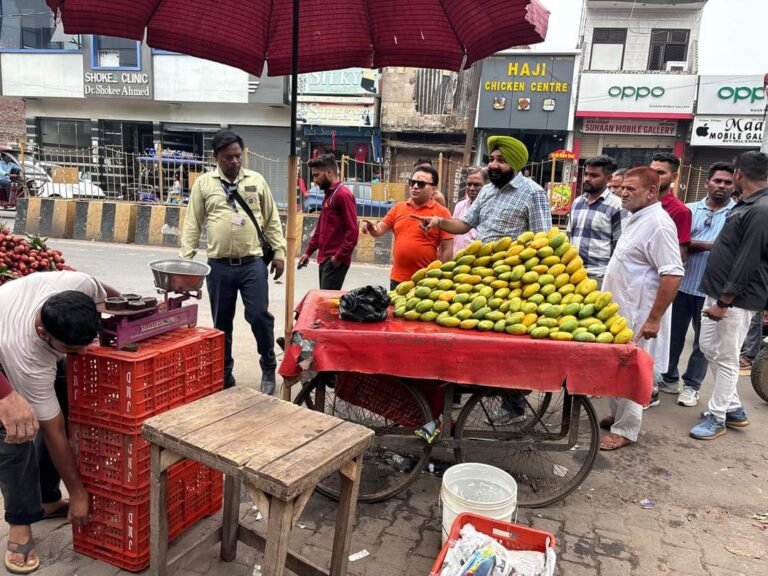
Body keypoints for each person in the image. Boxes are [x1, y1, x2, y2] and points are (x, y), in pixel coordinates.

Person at [417, 135, 552, 425]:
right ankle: (464, 389)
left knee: (505, 344)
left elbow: (544, 241)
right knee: (468, 332)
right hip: (479, 275)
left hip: (513, 281)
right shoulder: (488, 191)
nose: (493, 164)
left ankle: (514, 406)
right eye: (491, 159)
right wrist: (440, 222)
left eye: (500, 160)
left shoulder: (533, 193)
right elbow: (466, 224)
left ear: (515, 163)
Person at [0, 271, 114, 574]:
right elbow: (55, 432)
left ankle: (47, 500)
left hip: (23, 314)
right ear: (43, 333)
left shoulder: (81, 285)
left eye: (85, 343)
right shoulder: (26, 355)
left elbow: (107, 294)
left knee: (64, 399)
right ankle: (19, 523)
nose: (83, 353)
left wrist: (138, 308)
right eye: (71, 349)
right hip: (4, 360)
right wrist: (77, 492)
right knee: (19, 430)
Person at [180, 130, 287, 395]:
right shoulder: (204, 184)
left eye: (238, 156)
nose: (235, 161)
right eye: (228, 157)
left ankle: (268, 366)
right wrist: (186, 262)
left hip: (253, 263)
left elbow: (272, 219)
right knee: (221, 323)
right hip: (219, 266)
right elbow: (192, 223)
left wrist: (280, 252)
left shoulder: (256, 181)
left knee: (259, 316)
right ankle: (224, 373)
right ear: (216, 157)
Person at [599, 167, 684, 450]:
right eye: (622, 188)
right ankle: (616, 415)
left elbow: (672, 273)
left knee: (634, 371)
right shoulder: (635, 217)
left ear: (651, 192)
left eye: (631, 189)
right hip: (619, 310)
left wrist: (654, 318)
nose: (623, 193)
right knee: (616, 366)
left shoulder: (659, 223)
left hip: (639, 313)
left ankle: (626, 429)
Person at [690, 151, 768, 440]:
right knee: (708, 347)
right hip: (717, 292)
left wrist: (725, 302)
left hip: (735, 300)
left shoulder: (760, 209)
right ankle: (733, 407)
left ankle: (718, 416)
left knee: (726, 356)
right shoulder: (745, 204)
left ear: (738, 174)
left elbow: (747, 260)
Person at [658, 163, 735, 408]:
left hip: (712, 292)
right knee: (673, 336)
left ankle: (692, 385)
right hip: (683, 285)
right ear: (707, 183)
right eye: (718, 181)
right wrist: (710, 246)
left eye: (727, 182)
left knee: (704, 344)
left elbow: (732, 251)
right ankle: (668, 377)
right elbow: (677, 245)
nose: (722, 186)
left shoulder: (736, 215)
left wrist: (695, 244)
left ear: (734, 186)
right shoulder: (689, 210)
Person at [362, 165, 452, 290]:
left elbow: (447, 250)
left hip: (427, 282)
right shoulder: (399, 208)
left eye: (420, 184)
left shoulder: (442, 213)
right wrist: (372, 228)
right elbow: (379, 229)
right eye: (412, 182)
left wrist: (443, 278)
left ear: (433, 189)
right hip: (398, 279)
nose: (415, 186)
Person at [298, 154, 359, 290]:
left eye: (316, 175)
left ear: (330, 173)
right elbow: (321, 228)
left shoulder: (343, 195)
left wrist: (338, 257)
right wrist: (308, 252)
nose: (314, 181)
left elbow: (353, 231)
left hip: (334, 261)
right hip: (325, 259)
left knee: (326, 303)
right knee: (324, 299)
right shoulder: (329, 195)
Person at [567, 155, 627, 288]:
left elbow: (620, 247)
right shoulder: (577, 202)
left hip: (599, 276)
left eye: (594, 175)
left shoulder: (617, 206)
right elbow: (568, 237)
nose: (587, 178)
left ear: (608, 179)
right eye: (587, 174)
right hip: (573, 273)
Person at [650, 153, 691, 260]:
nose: (653, 176)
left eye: (660, 173)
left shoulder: (681, 211)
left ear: (674, 177)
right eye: (651, 172)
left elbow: (679, 251)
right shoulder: (639, 202)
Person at [451, 168, 485, 256]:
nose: (472, 188)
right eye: (469, 184)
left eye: (476, 185)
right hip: (456, 261)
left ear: (487, 186)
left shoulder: (489, 208)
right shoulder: (459, 206)